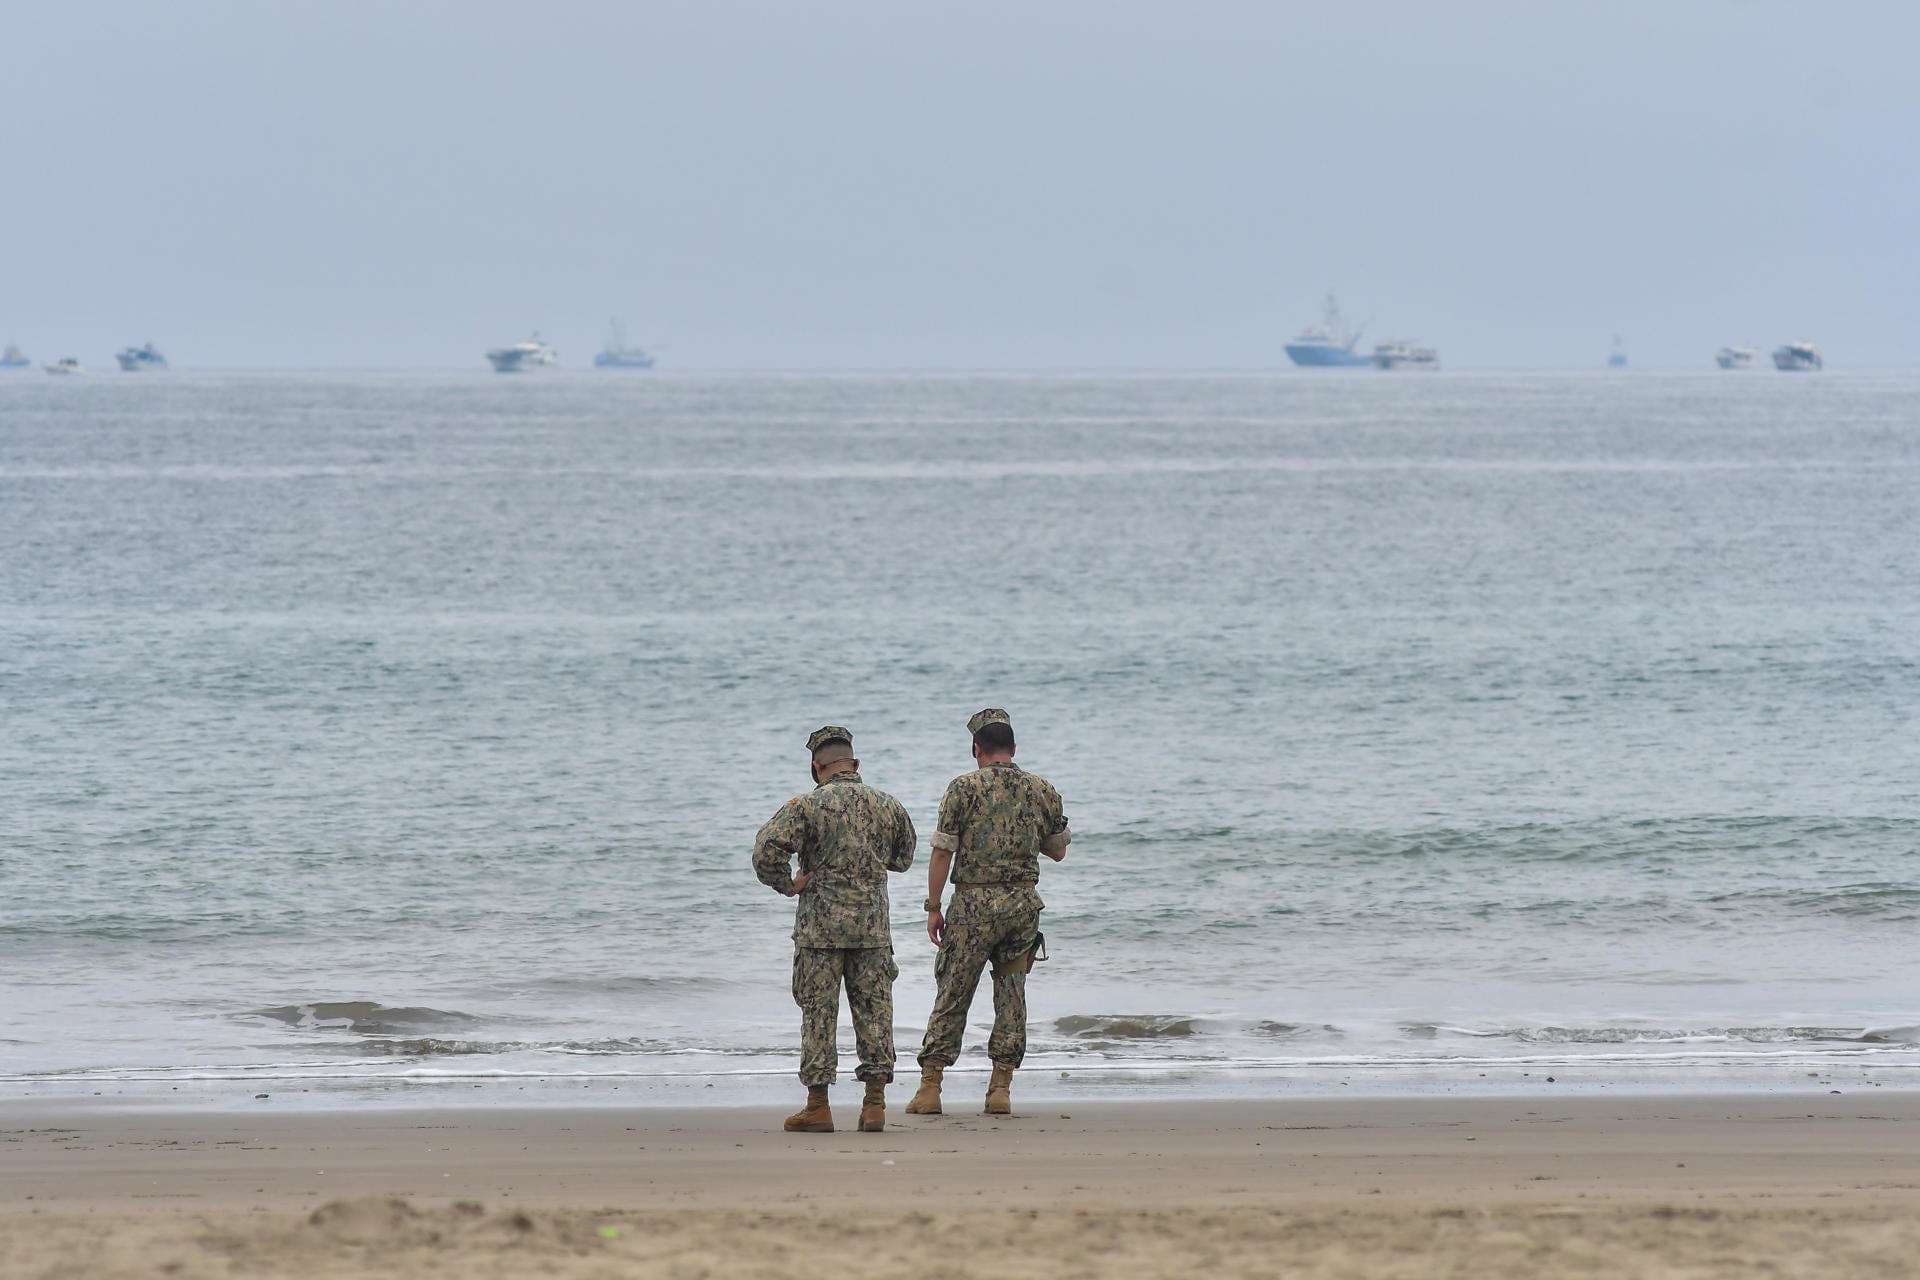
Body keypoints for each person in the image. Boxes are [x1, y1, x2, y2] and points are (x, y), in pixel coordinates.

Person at [906, 708, 1070, 1116]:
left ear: (976, 749)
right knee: (1012, 996)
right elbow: (1058, 850)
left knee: (953, 991)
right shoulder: (1042, 789)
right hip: (1021, 906)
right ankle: (1000, 1089)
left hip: (973, 907)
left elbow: (943, 850)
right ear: (1013, 750)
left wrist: (933, 907)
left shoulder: (962, 789)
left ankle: (930, 1088)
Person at [753, 725, 916, 1133]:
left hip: (819, 932)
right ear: (854, 764)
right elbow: (904, 857)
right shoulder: (887, 805)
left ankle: (818, 1105)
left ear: (816, 767)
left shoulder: (806, 807)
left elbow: (765, 852)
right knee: (875, 1013)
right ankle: (874, 1103)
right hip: (872, 930)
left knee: (818, 1014)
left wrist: (787, 884)